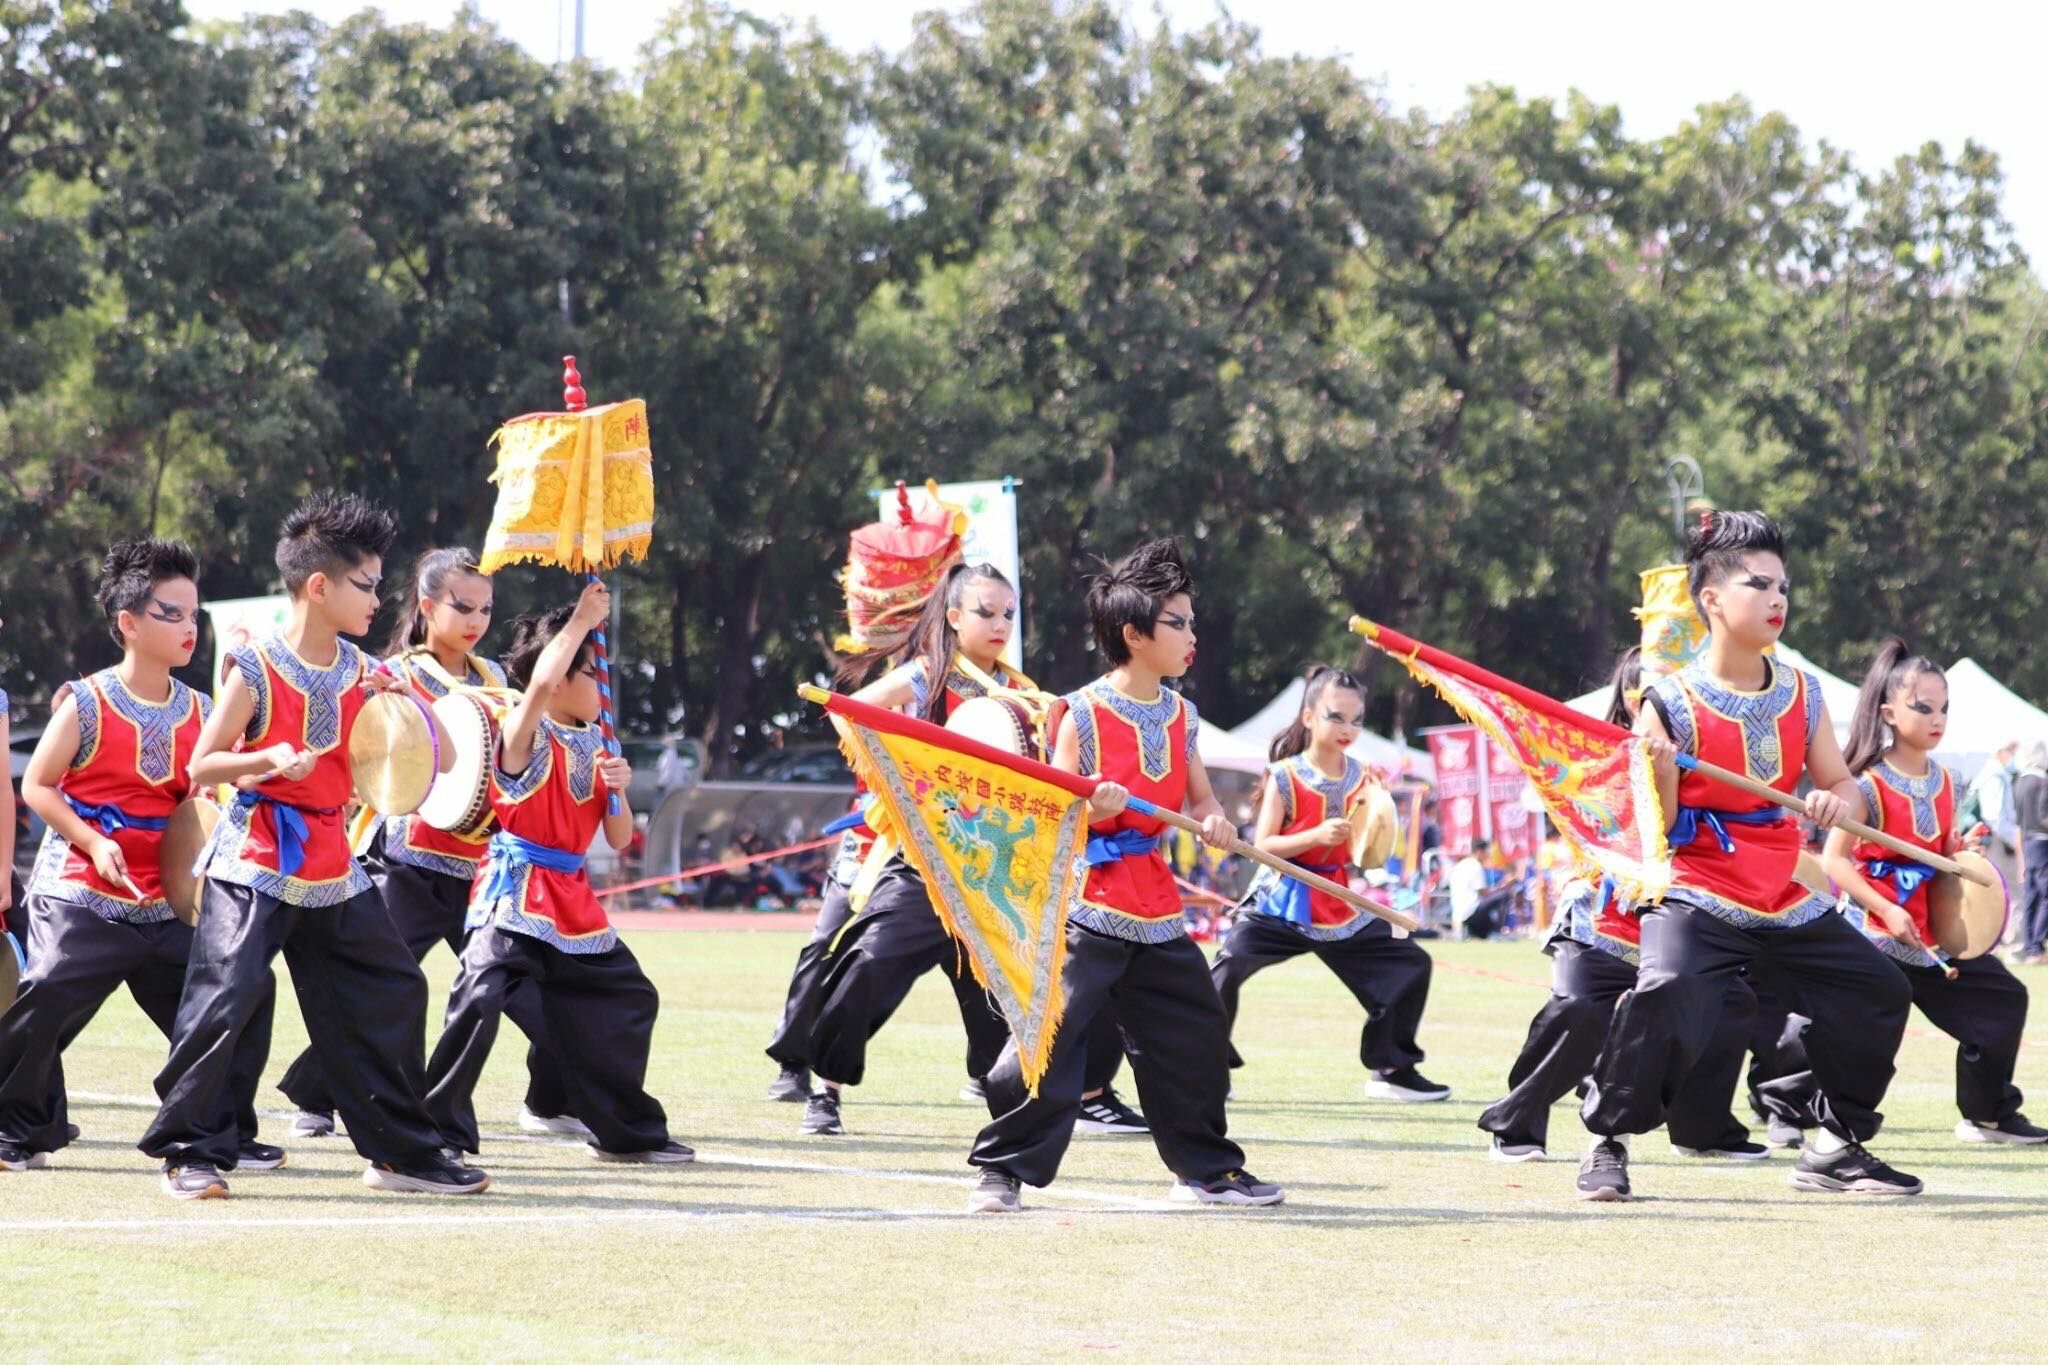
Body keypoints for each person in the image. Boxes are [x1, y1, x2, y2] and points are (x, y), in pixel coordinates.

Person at [138, 491, 487, 1200]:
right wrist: (266, 761)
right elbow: (204, 764)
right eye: (365, 584)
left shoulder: (364, 670)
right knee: (226, 993)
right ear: (319, 585)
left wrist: (408, 698)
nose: (376, 598)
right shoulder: (257, 667)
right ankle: (191, 1149)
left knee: (392, 986)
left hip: (333, 861)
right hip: (256, 853)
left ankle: (400, 1153)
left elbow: (446, 755)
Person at [1576, 510, 1916, 1201]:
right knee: (1666, 988)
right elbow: (1659, 823)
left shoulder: (1803, 690)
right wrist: (1662, 769)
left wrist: (1837, 804)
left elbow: (1842, 784)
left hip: (1782, 886)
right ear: (1711, 599)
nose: (1777, 600)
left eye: (1783, 587)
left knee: (1879, 988)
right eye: (1758, 585)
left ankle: (1834, 1144)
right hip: (1699, 883)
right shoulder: (1667, 700)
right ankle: (1607, 1138)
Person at [967, 538, 1282, 1212]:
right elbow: (1048, 815)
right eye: (1180, 622)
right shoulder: (1079, 712)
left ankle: (1205, 1169)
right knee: (1049, 1043)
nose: (1192, 634)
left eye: (1192, 621)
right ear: (1134, 633)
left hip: (1157, 906)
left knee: (1195, 1037)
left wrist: (1216, 820)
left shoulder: (1182, 714)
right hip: (1087, 904)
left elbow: (1198, 799)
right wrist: (1089, 805)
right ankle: (1001, 1168)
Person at [278, 546, 576, 1142]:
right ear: (427, 604)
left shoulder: (493, 676)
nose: (475, 620)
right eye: (462, 606)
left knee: (535, 992)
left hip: (487, 867)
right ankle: (317, 1092)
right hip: (411, 862)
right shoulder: (397, 672)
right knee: (379, 990)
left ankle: (550, 1099)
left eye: (486, 609)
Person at [0, 540, 278, 1172]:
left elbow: (209, 796)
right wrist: (95, 841)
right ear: (127, 623)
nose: (188, 628)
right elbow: (38, 786)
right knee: (43, 991)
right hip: (83, 887)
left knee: (245, 990)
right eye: (170, 614)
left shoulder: (203, 711)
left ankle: (223, 1127)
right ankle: (15, 1127)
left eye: (192, 614)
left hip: (166, 896)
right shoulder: (87, 700)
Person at [422, 586, 691, 1164]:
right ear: (563, 678)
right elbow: (539, 685)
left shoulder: (600, 744)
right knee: (480, 997)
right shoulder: (524, 729)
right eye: (592, 674)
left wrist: (619, 792)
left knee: (629, 996)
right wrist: (584, 618)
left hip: (571, 898)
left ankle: (623, 1131)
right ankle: (436, 1133)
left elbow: (617, 842)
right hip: (515, 892)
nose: (603, 687)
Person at [1753, 641, 2046, 1146]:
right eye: (1923, 707)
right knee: (1845, 1028)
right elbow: (1835, 861)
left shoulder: (1950, 781)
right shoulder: (1865, 785)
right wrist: (1886, 907)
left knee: (2002, 999)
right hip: (1874, 935)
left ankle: (1988, 1113)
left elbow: (1941, 847)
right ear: (1888, 713)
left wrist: (1962, 848)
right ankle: (1785, 1105)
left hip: (1928, 937)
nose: (1937, 719)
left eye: (1944, 708)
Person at [1477, 647, 1761, 1163]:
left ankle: (1701, 1128)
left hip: (1678, 909)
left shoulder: (1707, 762)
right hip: (1602, 910)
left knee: (1730, 1002)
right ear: (1633, 701)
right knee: (1580, 1007)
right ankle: (1518, 1121)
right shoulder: (1592, 759)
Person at [1210, 664, 1449, 1103]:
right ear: (1308, 717)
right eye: (1335, 717)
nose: (1347, 729)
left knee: (1410, 963)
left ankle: (1391, 1067)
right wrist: (1315, 837)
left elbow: (1370, 845)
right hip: (1279, 901)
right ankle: (1208, 1071)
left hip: (1338, 901)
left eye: (1356, 720)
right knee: (1224, 971)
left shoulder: (1364, 775)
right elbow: (1262, 844)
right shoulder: (1284, 775)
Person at [2015, 741, 2048, 964]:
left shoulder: (2019, 782)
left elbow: (2018, 824)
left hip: (2027, 842)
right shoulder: (2042, 781)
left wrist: (2020, 860)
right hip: (2043, 842)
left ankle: (2029, 946)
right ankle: (2036, 947)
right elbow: (2044, 817)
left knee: (2031, 896)